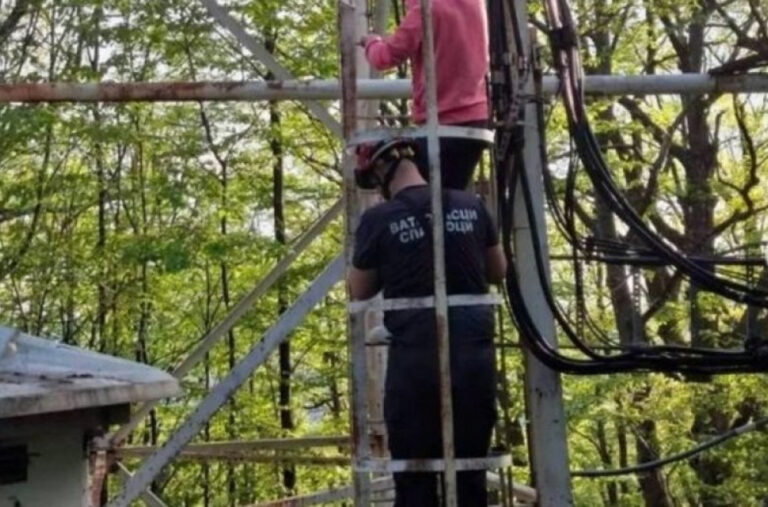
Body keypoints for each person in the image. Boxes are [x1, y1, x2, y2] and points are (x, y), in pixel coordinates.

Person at [348, 138, 506, 506]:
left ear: (382, 173)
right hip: (472, 359)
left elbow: (359, 290)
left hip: (416, 362)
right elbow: (498, 270)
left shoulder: (379, 218)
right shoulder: (471, 205)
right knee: (470, 475)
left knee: (414, 478)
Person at [360, 0, 489, 190]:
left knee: (423, 200)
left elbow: (385, 57)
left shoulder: (425, 8)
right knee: (450, 195)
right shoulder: (475, 3)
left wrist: (371, 42)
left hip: (442, 121)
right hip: (476, 118)